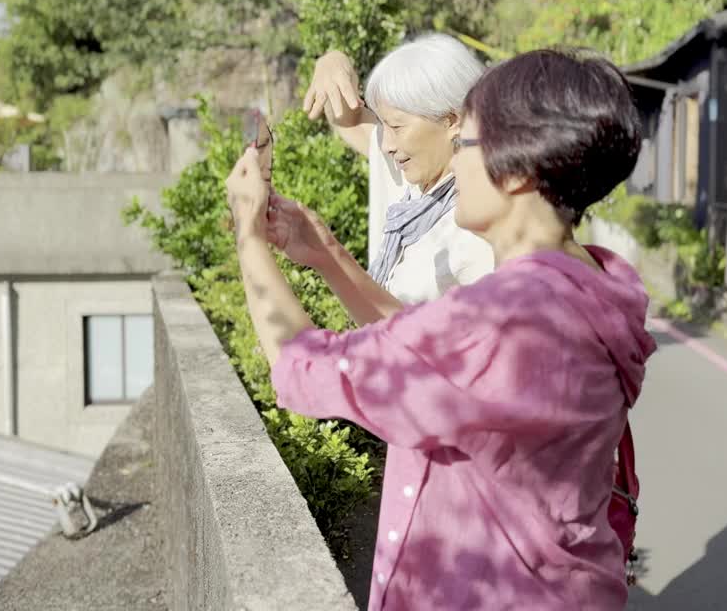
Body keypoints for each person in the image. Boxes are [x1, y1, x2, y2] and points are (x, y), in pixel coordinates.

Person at [226, 48, 657, 610]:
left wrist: (248, 237)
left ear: (520, 169)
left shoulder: (500, 320)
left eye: (466, 144)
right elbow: (441, 359)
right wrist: (326, 252)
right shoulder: (591, 281)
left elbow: (303, 368)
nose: (454, 164)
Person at [300, 34, 493, 310]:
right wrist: (333, 62)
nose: (386, 144)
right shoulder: (410, 170)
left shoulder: (479, 230)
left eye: (397, 127)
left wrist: (329, 258)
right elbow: (348, 118)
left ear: (452, 121)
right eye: (382, 124)